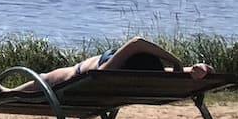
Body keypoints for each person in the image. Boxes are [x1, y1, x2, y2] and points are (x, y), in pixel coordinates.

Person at [40, 36, 213, 87]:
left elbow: (137, 42)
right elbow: (192, 72)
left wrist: (175, 60)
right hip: (130, 72)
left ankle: (11, 92)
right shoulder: (151, 76)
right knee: (45, 79)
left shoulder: (105, 72)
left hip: (78, 73)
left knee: (44, 79)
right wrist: (204, 68)